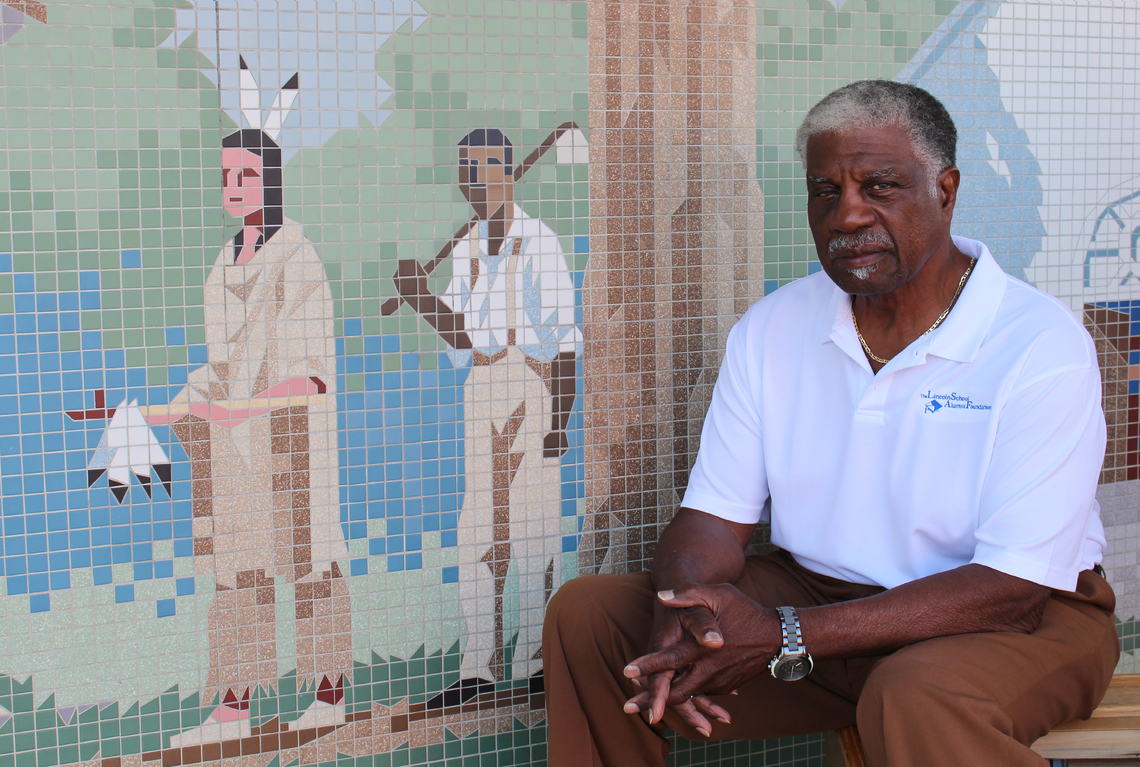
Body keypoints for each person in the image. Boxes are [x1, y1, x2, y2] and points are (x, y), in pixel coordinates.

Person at [542, 80, 1118, 767]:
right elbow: (712, 520)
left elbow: (1013, 588)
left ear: (945, 190)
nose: (847, 215)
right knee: (593, 619)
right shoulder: (774, 328)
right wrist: (686, 610)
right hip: (822, 604)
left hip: (1013, 620)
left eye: (880, 187)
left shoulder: (1038, 342)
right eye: (825, 191)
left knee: (917, 692)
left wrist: (786, 632)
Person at [153, 128, 352, 746]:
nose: (233, 187)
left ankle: (329, 697)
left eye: (246, 175)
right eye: (226, 176)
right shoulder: (223, 266)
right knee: (238, 568)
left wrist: (250, 407)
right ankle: (233, 709)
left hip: (292, 436)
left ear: (271, 179)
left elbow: (313, 369)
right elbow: (221, 366)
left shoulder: (297, 256)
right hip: (235, 445)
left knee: (310, 561)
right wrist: (173, 410)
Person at [392, 128, 582, 703]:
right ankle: (479, 666)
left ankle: (538, 662)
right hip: (483, 388)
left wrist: (559, 423)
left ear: (508, 170)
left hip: (533, 386)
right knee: (478, 527)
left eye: (487, 165)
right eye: (466, 168)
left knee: (534, 530)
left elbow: (565, 342)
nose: (476, 179)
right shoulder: (469, 248)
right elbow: (461, 336)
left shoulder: (539, 242)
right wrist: (420, 297)